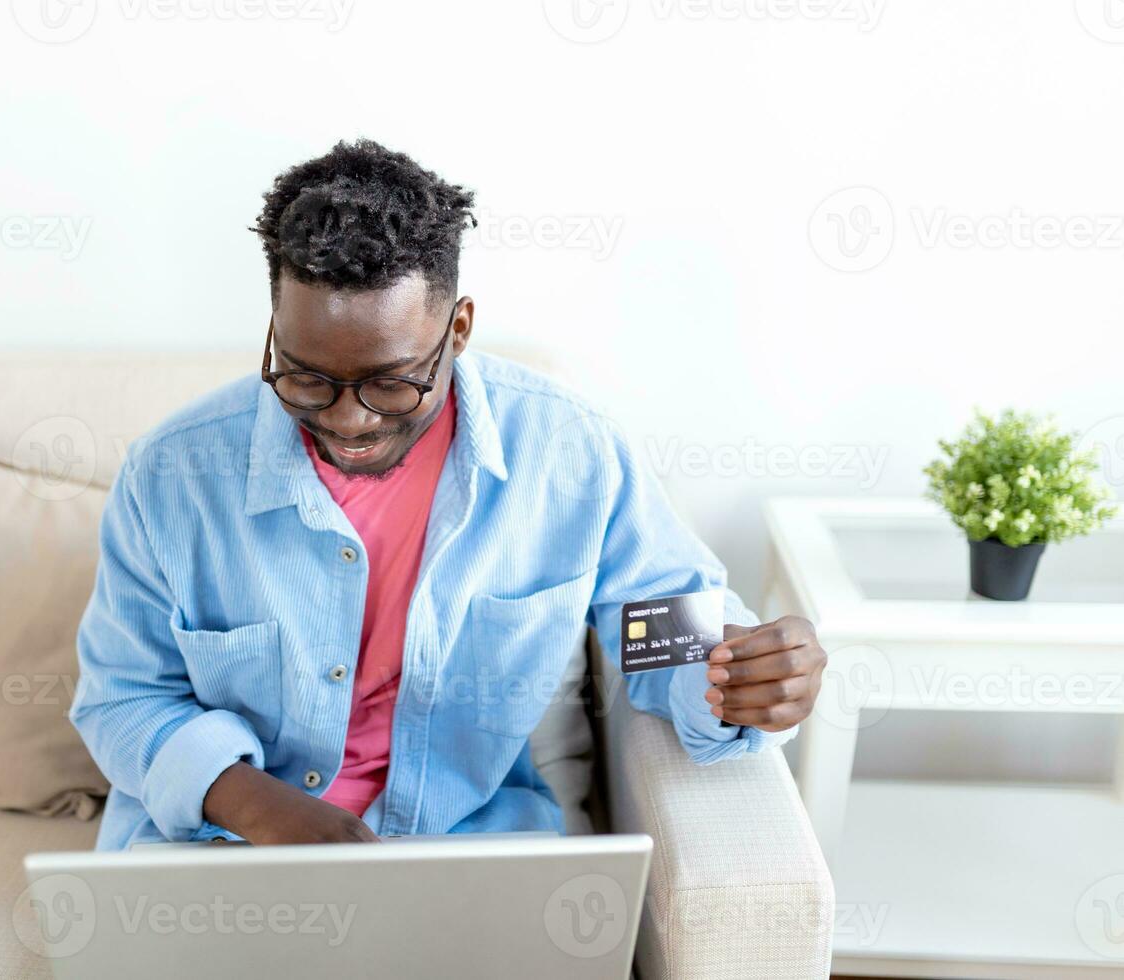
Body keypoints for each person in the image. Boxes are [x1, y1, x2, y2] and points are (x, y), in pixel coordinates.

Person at [71, 138, 827, 849]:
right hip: (219, 843)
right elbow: (123, 698)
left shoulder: (567, 455)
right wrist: (262, 811)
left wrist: (736, 677)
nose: (348, 419)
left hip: (461, 836)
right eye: (306, 377)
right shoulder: (170, 479)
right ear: (274, 329)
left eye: (391, 383)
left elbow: (656, 621)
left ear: (458, 329)